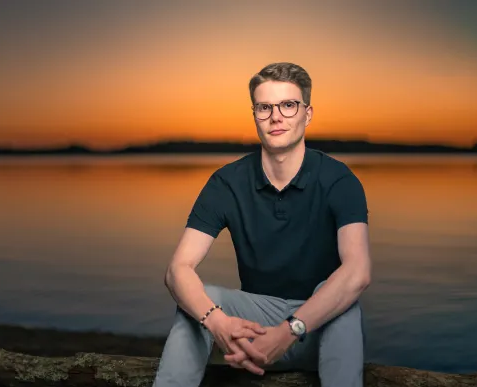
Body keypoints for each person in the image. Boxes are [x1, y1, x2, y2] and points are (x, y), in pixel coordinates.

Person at [151, 62, 372, 387]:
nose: (276, 117)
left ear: (307, 114)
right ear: (254, 114)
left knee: (342, 299)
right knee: (201, 297)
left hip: (319, 327)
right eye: (264, 107)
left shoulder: (339, 180)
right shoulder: (227, 183)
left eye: (288, 105)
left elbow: (358, 272)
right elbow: (177, 270)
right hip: (252, 330)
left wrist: (289, 330)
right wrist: (217, 323)